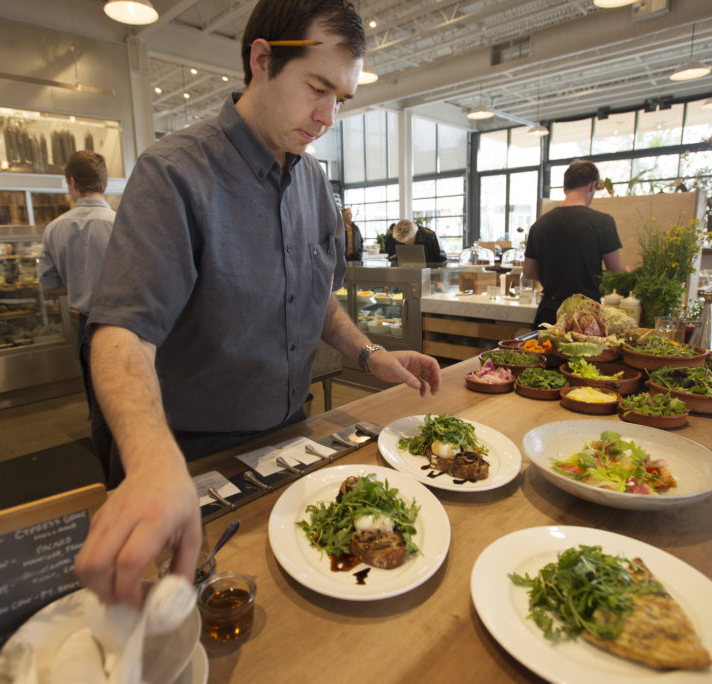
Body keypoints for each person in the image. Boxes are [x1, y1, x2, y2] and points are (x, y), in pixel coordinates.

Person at [74, 0, 441, 608]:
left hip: (289, 433)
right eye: (317, 89)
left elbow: (314, 296)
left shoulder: (312, 180)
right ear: (263, 60)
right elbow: (120, 334)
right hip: (190, 454)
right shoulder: (175, 173)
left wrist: (369, 353)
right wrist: (150, 458)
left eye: (341, 100)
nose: (326, 117)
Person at [38, 151, 116, 481]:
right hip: (130, 323)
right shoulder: (123, 223)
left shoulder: (54, 229)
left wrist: (81, 279)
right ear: (105, 182)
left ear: (72, 183)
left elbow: (49, 286)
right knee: (140, 405)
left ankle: (111, 484)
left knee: (99, 413)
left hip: (89, 327)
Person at [523, 160, 624, 328]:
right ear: (592, 186)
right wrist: (626, 273)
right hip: (586, 317)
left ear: (565, 188)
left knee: (544, 354)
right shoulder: (602, 222)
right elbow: (616, 271)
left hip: (550, 314)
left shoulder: (539, 224)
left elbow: (528, 271)